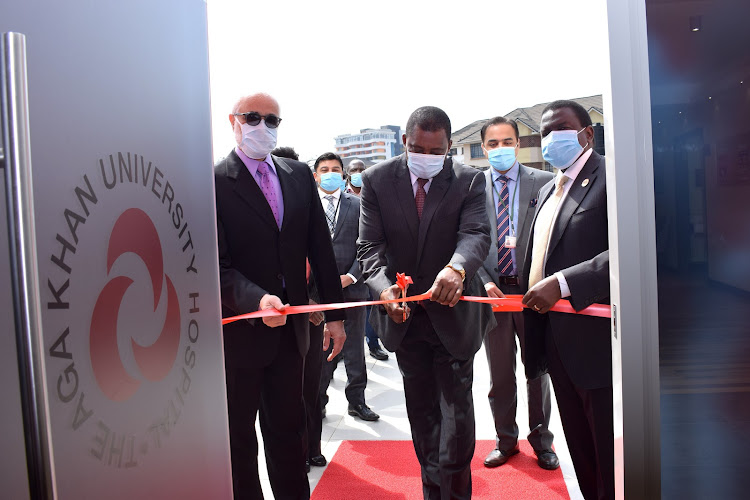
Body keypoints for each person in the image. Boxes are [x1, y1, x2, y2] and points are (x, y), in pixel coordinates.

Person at [358, 106, 495, 500]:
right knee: (421, 414)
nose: (427, 157)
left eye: (436, 152)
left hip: (453, 317)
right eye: (418, 148)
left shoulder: (468, 180)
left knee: (456, 418)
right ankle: (431, 489)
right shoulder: (377, 181)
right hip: (403, 318)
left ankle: (455, 491)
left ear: (449, 146)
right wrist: (385, 288)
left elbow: (476, 234)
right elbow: (369, 247)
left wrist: (457, 268)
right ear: (404, 141)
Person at [215, 92, 346, 500]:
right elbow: (214, 265)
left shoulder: (297, 175)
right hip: (240, 336)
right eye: (253, 117)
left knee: (290, 432)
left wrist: (334, 316)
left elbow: (319, 249)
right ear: (233, 121)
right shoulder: (214, 181)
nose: (262, 126)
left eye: (272, 120)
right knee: (239, 439)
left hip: (292, 335)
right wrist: (255, 300)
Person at [521, 100, 612, 500]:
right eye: (544, 132)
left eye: (560, 128)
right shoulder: (547, 189)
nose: (550, 139)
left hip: (595, 340)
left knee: (606, 447)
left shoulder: (611, 177)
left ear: (587, 134)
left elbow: (634, 247)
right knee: (578, 443)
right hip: (553, 337)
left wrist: (563, 283)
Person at [475, 117, 559, 470]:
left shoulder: (544, 182)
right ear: (483, 148)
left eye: (506, 141)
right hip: (492, 295)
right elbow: (464, 238)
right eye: (492, 143)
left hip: (532, 294)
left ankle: (542, 441)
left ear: (519, 143)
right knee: (500, 374)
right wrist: (482, 279)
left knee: (537, 370)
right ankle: (505, 440)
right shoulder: (472, 186)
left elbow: (554, 233)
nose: (500, 149)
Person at [314, 152, 380, 422]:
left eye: (335, 169)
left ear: (343, 175)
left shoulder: (358, 205)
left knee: (354, 350)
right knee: (321, 352)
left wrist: (351, 277)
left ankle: (357, 400)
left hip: (352, 290)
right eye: (324, 169)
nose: (330, 173)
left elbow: (367, 246)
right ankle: (318, 403)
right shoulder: (307, 206)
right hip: (317, 295)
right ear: (315, 175)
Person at [346, 159, 389, 361]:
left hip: (372, 263)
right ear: (347, 174)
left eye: (362, 170)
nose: (358, 173)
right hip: (348, 267)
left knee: (372, 305)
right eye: (354, 170)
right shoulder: (340, 199)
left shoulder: (376, 197)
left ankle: (373, 343)